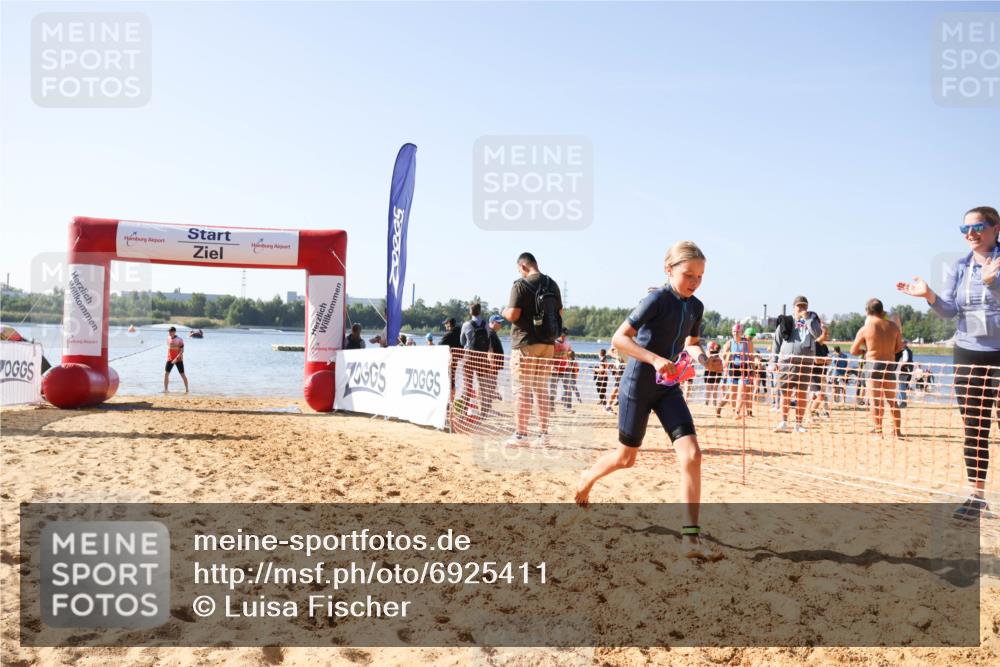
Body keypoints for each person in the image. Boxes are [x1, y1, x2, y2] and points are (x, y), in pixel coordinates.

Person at [575, 241, 724, 561]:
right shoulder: (656, 299)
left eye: (700, 276)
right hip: (638, 385)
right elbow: (619, 339)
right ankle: (587, 478)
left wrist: (706, 359)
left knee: (692, 455)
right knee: (626, 459)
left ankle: (690, 540)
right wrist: (655, 360)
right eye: (689, 274)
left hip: (668, 387)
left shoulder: (696, 307)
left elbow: (692, 344)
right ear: (669, 270)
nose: (695, 281)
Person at [897, 205, 1000, 519]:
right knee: (975, 428)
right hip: (968, 352)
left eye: (978, 226)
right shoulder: (960, 266)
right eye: (965, 229)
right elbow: (949, 310)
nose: (970, 233)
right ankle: (977, 498)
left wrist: (992, 282)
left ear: (996, 228)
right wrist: (928, 296)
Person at [501, 252, 563, 445]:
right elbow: (560, 313)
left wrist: (503, 311)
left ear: (523, 266)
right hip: (547, 344)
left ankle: (521, 434)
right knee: (541, 389)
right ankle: (544, 434)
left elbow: (513, 314)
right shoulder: (552, 284)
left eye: (519, 269)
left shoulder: (520, 285)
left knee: (522, 389)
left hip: (525, 343)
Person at [850, 301, 904, 438]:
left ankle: (879, 431)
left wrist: (865, 351)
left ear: (867, 311)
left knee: (875, 401)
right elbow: (899, 348)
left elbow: (853, 350)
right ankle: (897, 431)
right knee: (892, 400)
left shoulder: (866, 328)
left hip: (873, 364)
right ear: (882, 311)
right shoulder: (893, 327)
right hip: (889, 365)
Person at [774, 296, 823, 433]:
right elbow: (776, 342)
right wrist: (774, 362)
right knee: (786, 393)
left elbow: (818, 335)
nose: (802, 308)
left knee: (802, 393)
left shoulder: (813, 320)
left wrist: (808, 319)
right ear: (793, 307)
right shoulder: (787, 321)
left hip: (806, 362)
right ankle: (783, 422)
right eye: (799, 306)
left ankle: (799, 424)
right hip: (787, 361)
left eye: (804, 306)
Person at [717, 323, 754, 419]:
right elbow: (723, 355)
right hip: (733, 368)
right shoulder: (729, 343)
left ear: (741, 332)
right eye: (734, 331)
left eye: (737, 332)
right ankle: (721, 407)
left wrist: (753, 369)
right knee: (732, 393)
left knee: (742, 391)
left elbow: (751, 356)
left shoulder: (747, 342)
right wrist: (729, 355)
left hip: (744, 368)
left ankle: (737, 412)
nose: (735, 333)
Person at [459, 303, 491, 409]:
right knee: (483, 385)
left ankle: (465, 409)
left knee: (468, 384)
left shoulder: (466, 325)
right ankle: (484, 410)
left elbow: (462, 341)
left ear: (470, 312)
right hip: (482, 357)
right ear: (480, 311)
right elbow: (488, 339)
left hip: (469, 357)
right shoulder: (486, 324)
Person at [440, 317, 463, 399]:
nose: (445, 326)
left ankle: (450, 400)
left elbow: (439, 345)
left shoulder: (449, 334)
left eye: (446, 324)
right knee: (453, 381)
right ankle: (452, 399)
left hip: (450, 361)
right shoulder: (460, 332)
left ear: (449, 324)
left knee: (449, 381)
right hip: (460, 360)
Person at [163, 326, 189, 393]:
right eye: (168, 331)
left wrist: (176, 358)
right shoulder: (168, 338)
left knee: (182, 374)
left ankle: (187, 390)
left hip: (178, 359)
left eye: (170, 331)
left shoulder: (179, 339)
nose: (169, 333)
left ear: (174, 332)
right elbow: (169, 346)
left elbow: (182, 350)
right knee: (166, 374)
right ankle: (166, 390)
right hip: (170, 359)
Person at [703, 340, 723, 407]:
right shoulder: (706, 352)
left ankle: (714, 402)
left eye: (712, 346)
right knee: (708, 387)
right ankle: (707, 402)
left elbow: (720, 360)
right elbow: (707, 360)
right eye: (709, 346)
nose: (711, 347)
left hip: (717, 371)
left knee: (715, 387)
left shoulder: (718, 353)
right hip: (708, 371)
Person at [896, 340, 914, 408]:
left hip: (904, 370)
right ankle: (901, 401)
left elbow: (905, 360)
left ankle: (902, 402)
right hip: (907, 370)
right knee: (902, 385)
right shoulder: (908, 350)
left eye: (901, 343)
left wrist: (899, 366)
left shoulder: (905, 351)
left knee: (901, 386)